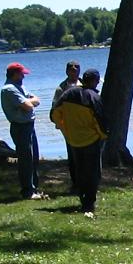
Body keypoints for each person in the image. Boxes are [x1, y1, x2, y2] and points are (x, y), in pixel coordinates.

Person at [51, 67, 108, 217]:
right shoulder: (93, 97)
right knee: (93, 172)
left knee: (80, 171)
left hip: (73, 140)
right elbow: (100, 121)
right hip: (91, 140)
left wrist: (65, 129)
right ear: (95, 81)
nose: (98, 84)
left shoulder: (68, 94)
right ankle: (89, 203)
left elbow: (54, 114)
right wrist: (102, 136)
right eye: (97, 81)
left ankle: (83, 198)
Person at [0, 62, 43, 199]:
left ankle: (34, 188)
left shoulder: (19, 87)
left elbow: (37, 100)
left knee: (33, 158)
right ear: (14, 74)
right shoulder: (9, 89)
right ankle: (27, 191)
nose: (24, 76)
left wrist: (30, 102)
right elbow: (28, 106)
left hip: (29, 126)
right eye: (21, 74)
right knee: (26, 160)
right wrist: (29, 102)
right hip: (20, 127)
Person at [50, 60, 81, 193]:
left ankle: (87, 183)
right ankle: (75, 184)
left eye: (76, 68)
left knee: (85, 156)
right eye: (71, 69)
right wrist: (61, 125)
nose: (74, 70)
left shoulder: (85, 85)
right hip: (69, 127)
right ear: (67, 71)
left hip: (84, 125)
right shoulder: (61, 88)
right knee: (73, 155)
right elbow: (55, 109)